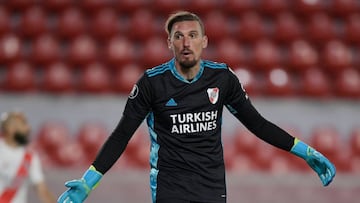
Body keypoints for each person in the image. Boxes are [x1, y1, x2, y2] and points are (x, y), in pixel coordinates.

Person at [57, 11, 336, 203]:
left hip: (211, 185)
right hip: (169, 185)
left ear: (204, 42)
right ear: (169, 43)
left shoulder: (223, 79)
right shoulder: (152, 83)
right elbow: (121, 135)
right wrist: (89, 181)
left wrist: (305, 152)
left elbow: (258, 124)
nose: (186, 42)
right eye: (178, 36)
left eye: (193, 35)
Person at [0, 111, 56, 203]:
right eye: (23, 124)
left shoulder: (30, 156)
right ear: (10, 128)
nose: (28, 128)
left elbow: (42, 191)